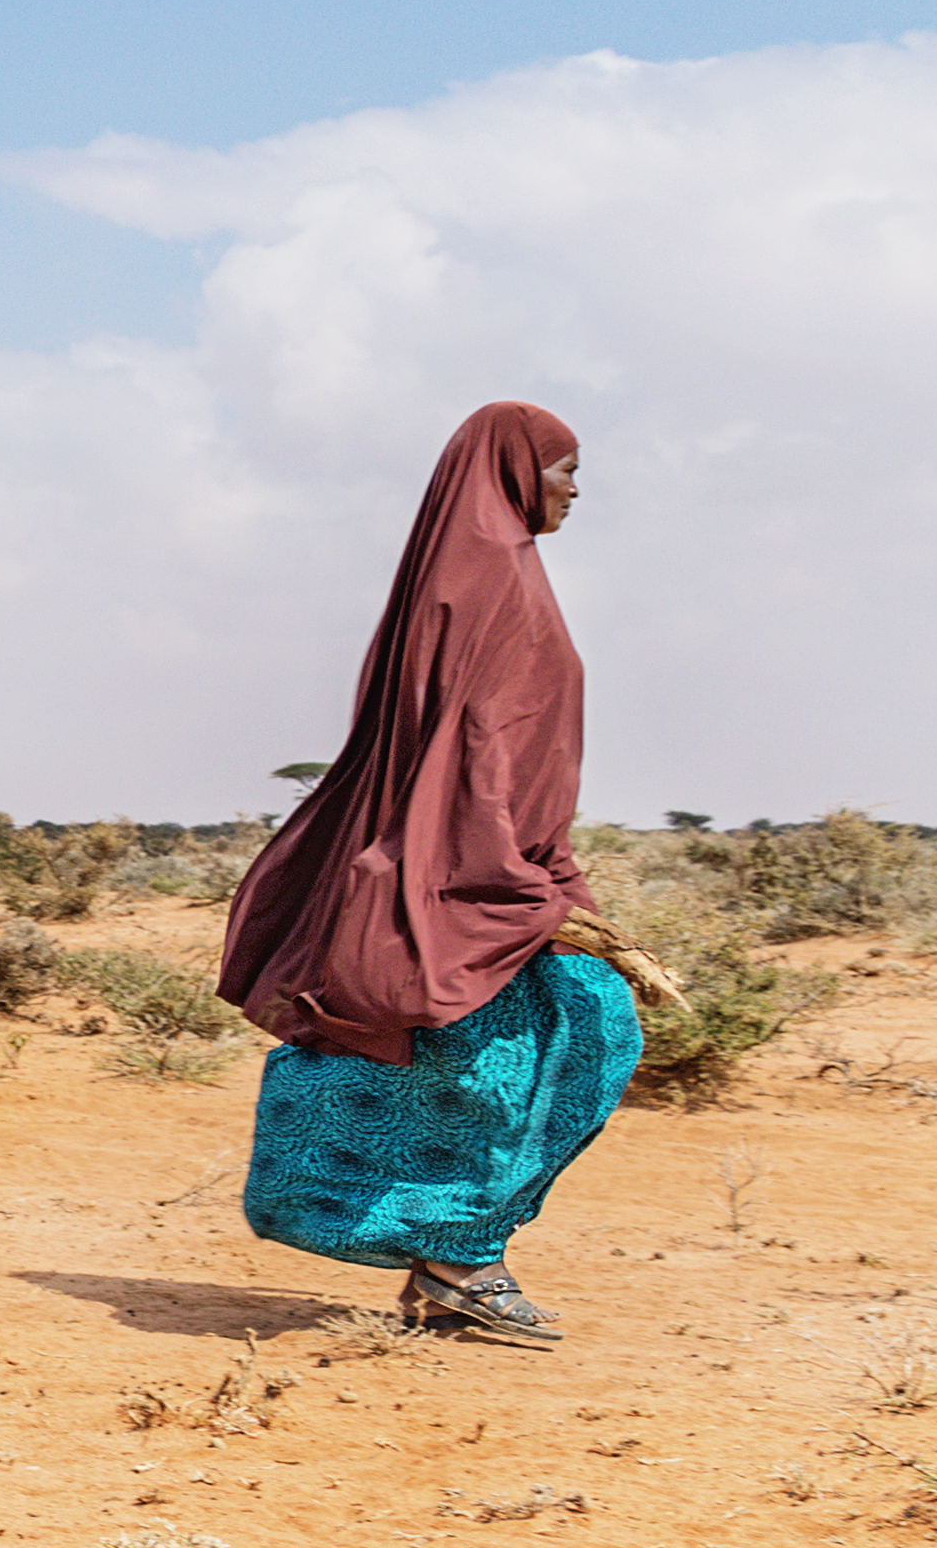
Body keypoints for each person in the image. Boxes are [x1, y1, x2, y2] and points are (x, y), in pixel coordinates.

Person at [215, 400, 645, 1345]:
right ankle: (459, 1263)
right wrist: (511, 884)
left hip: (499, 870)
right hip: (465, 878)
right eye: (564, 468)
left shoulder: (495, 574)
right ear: (514, 471)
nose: (576, 488)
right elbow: (472, 748)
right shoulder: (483, 580)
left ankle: (451, 1261)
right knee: (561, 1040)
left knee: (534, 1048)